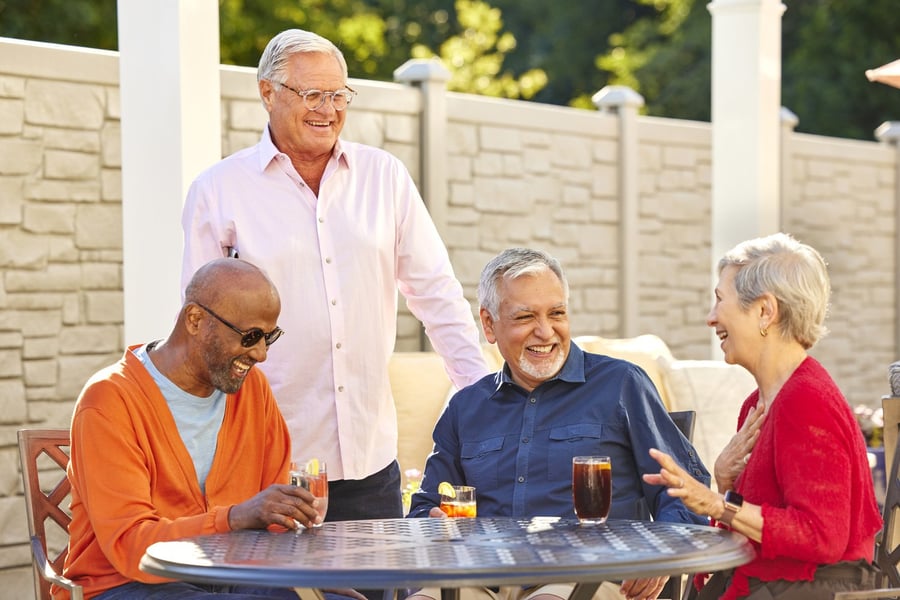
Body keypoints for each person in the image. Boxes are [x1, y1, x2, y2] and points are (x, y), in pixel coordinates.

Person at [180, 28, 489, 523]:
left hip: (370, 462)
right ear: (268, 92)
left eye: (339, 94)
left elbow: (435, 294)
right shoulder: (218, 191)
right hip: (267, 466)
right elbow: (201, 333)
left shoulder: (384, 177)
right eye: (312, 94)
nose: (329, 109)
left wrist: (482, 398)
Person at [407, 247, 710, 600]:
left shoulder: (621, 385)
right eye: (525, 318)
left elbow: (688, 490)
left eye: (557, 313)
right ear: (489, 324)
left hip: (590, 576)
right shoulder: (466, 407)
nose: (546, 331)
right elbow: (425, 506)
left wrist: (662, 553)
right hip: (481, 579)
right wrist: (431, 520)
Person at [60, 259, 360, 600]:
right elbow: (132, 548)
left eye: (269, 337)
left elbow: (277, 519)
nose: (261, 354)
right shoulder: (109, 399)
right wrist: (234, 517)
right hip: (126, 585)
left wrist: (307, 575)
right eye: (250, 336)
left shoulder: (253, 390)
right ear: (195, 320)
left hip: (233, 576)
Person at [644, 233, 882, 599]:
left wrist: (718, 504)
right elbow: (753, 526)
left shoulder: (805, 400)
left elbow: (822, 536)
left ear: (765, 312)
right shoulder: (758, 404)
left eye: (720, 300)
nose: (711, 318)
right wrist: (724, 479)